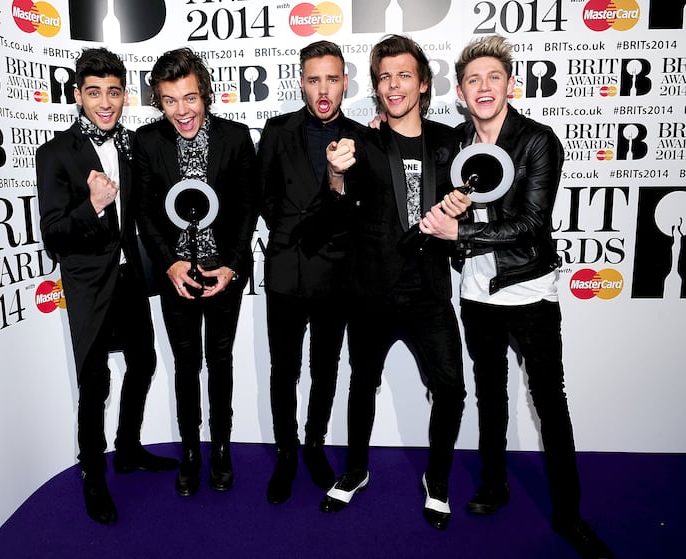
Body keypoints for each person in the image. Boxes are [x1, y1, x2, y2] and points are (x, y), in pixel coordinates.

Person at [419, 34, 613, 558]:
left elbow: (531, 225)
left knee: (551, 403)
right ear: (460, 92)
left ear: (509, 85)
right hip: (476, 294)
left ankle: (570, 516)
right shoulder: (455, 144)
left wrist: (458, 236)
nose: (484, 88)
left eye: (493, 78)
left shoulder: (537, 141)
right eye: (473, 80)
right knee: (490, 396)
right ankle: (494, 484)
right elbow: (408, 147)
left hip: (530, 291)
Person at [319, 34, 470, 531]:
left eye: (404, 74)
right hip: (370, 290)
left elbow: (465, 212)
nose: (393, 85)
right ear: (377, 87)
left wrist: (459, 213)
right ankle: (356, 470)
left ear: (424, 83)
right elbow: (337, 211)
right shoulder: (361, 141)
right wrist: (336, 178)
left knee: (449, 389)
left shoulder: (450, 142)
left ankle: (438, 479)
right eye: (385, 77)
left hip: (428, 290)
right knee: (362, 383)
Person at [36, 47, 177, 526]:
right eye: (94, 92)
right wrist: (93, 205)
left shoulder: (132, 146)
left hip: (129, 278)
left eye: (114, 92)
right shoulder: (55, 153)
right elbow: (53, 234)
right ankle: (92, 472)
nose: (105, 102)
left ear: (124, 96)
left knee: (144, 362)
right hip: (87, 285)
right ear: (78, 95)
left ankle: (129, 448)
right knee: (94, 383)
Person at [134, 47, 258, 497]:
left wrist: (232, 265)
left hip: (223, 273)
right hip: (177, 276)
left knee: (220, 362)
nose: (181, 111)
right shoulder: (148, 143)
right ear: (158, 102)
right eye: (169, 101)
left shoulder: (235, 137)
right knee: (186, 365)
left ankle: (220, 450)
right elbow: (144, 212)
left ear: (203, 92)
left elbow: (248, 207)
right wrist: (169, 263)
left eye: (189, 98)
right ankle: (190, 452)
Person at [258, 40, 367, 505]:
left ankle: (315, 444)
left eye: (333, 78)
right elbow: (261, 196)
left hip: (335, 273)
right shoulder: (277, 129)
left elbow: (363, 210)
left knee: (324, 368)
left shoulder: (365, 138)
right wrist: (290, 230)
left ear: (345, 82)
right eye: (314, 79)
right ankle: (285, 453)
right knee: (284, 368)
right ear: (301, 82)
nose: (324, 89)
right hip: (285, 268)